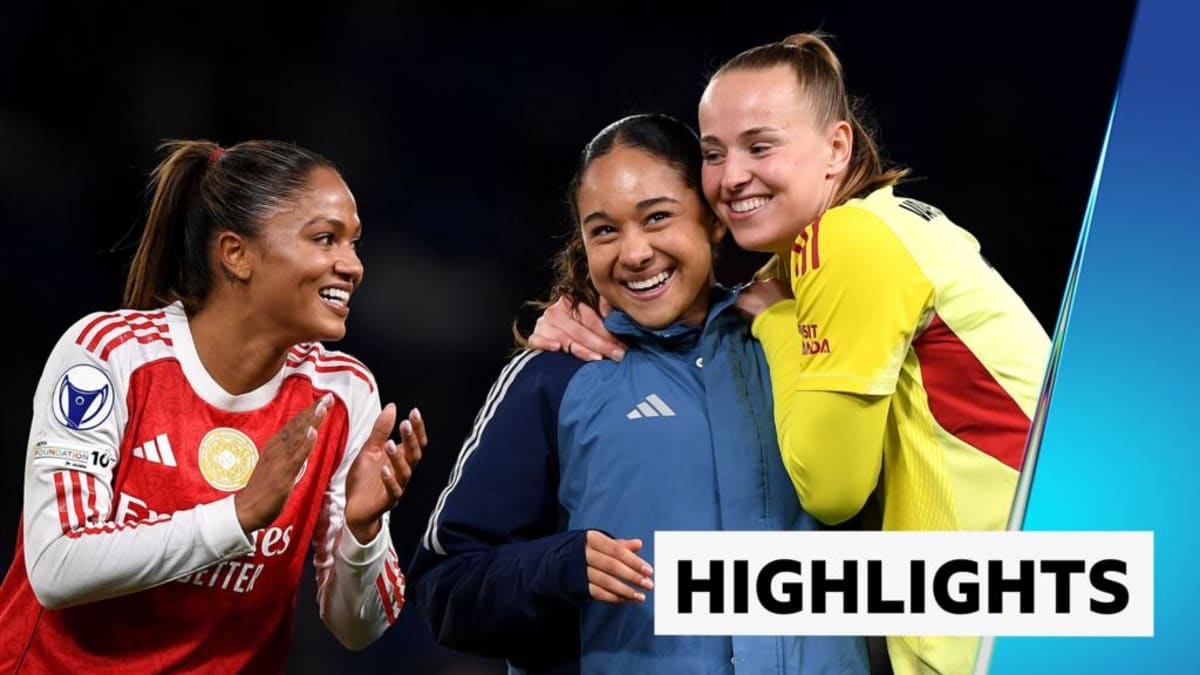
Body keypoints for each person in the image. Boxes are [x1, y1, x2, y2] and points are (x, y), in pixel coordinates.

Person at [529, 33, 1051, 675]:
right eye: (714, 153)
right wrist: (579, 304)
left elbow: (831, 489)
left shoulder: (849, 241)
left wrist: (776, 324)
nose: (732, 176)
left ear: (837, 147)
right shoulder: (862, 237)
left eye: (760, 146)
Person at [408, 114, 869, 674]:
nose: (634, 253)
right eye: (604, 230)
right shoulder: (555, 377)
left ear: (714, 221)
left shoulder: (802, 347)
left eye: (657, 218)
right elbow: (446, 587)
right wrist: (560, 567)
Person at [0, 139, 427, 673]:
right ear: (237, 254)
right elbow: (56, 564)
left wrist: (364, 534)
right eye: (325, 239)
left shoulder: (343, 394)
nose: (352, 266)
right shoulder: (111, 354)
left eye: (354, 244)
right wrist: (237, 516)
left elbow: (358, 629)